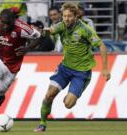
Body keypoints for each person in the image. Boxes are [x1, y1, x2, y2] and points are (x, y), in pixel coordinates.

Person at [34, 2, 111, 132]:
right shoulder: (61, 26)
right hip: (65, 68)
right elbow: (50, 31)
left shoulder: (85, 29)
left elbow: (102, 46)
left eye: (69, 16)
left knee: (68, 104)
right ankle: (42, 123)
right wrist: (40, 32)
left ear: (76, 16)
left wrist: (105, 68)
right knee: (49, 95)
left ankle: (74, 92)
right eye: (64, 16)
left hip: (81, 72)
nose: (66, 19)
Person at [0, 8, 41, 130]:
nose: (5, 26)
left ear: (14, 21)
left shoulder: (23, 28)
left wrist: (27, 48)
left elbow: (39, 37)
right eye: (3, 23)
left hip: (12, 65)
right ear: (0, 20)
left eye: (8, 24)